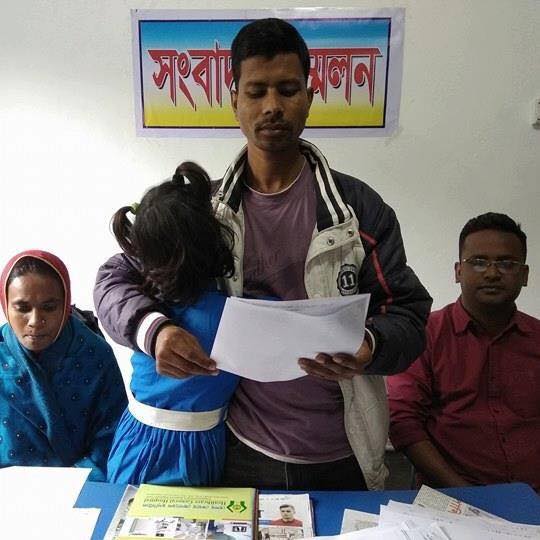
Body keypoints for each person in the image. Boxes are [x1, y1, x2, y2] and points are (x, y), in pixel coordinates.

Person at [94, 18, 431, 490]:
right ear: (234, 99)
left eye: (288, 90)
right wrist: (155, 331)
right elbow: (115, 277)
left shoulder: (357, 210)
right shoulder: (203, 212)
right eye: (257, 91)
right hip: (238, 452)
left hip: (345, 451)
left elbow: (409, 313)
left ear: (310, 95)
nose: (273, 106)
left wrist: (370, 346)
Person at [106, 162, 239, 486]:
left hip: (136, 443)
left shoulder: (144, 314)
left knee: (129, 516)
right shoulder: (238, 314)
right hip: (204, 447)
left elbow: (111, 278)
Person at [387, 213, 540, 491]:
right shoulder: (424, 335)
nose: (492, 273)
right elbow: (403, 421)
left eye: (506, 263)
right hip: (450, 495)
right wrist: (464, 494)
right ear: (458, 271)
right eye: (478, 262)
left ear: (525, 275)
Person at [0, 250, 126, 480]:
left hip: (82, 486)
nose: (35, 321)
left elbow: (111, 437)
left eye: (49, 307)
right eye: (23, 308)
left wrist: (67, 484)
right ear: (5, 305)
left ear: (66, 305)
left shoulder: (95, 356)